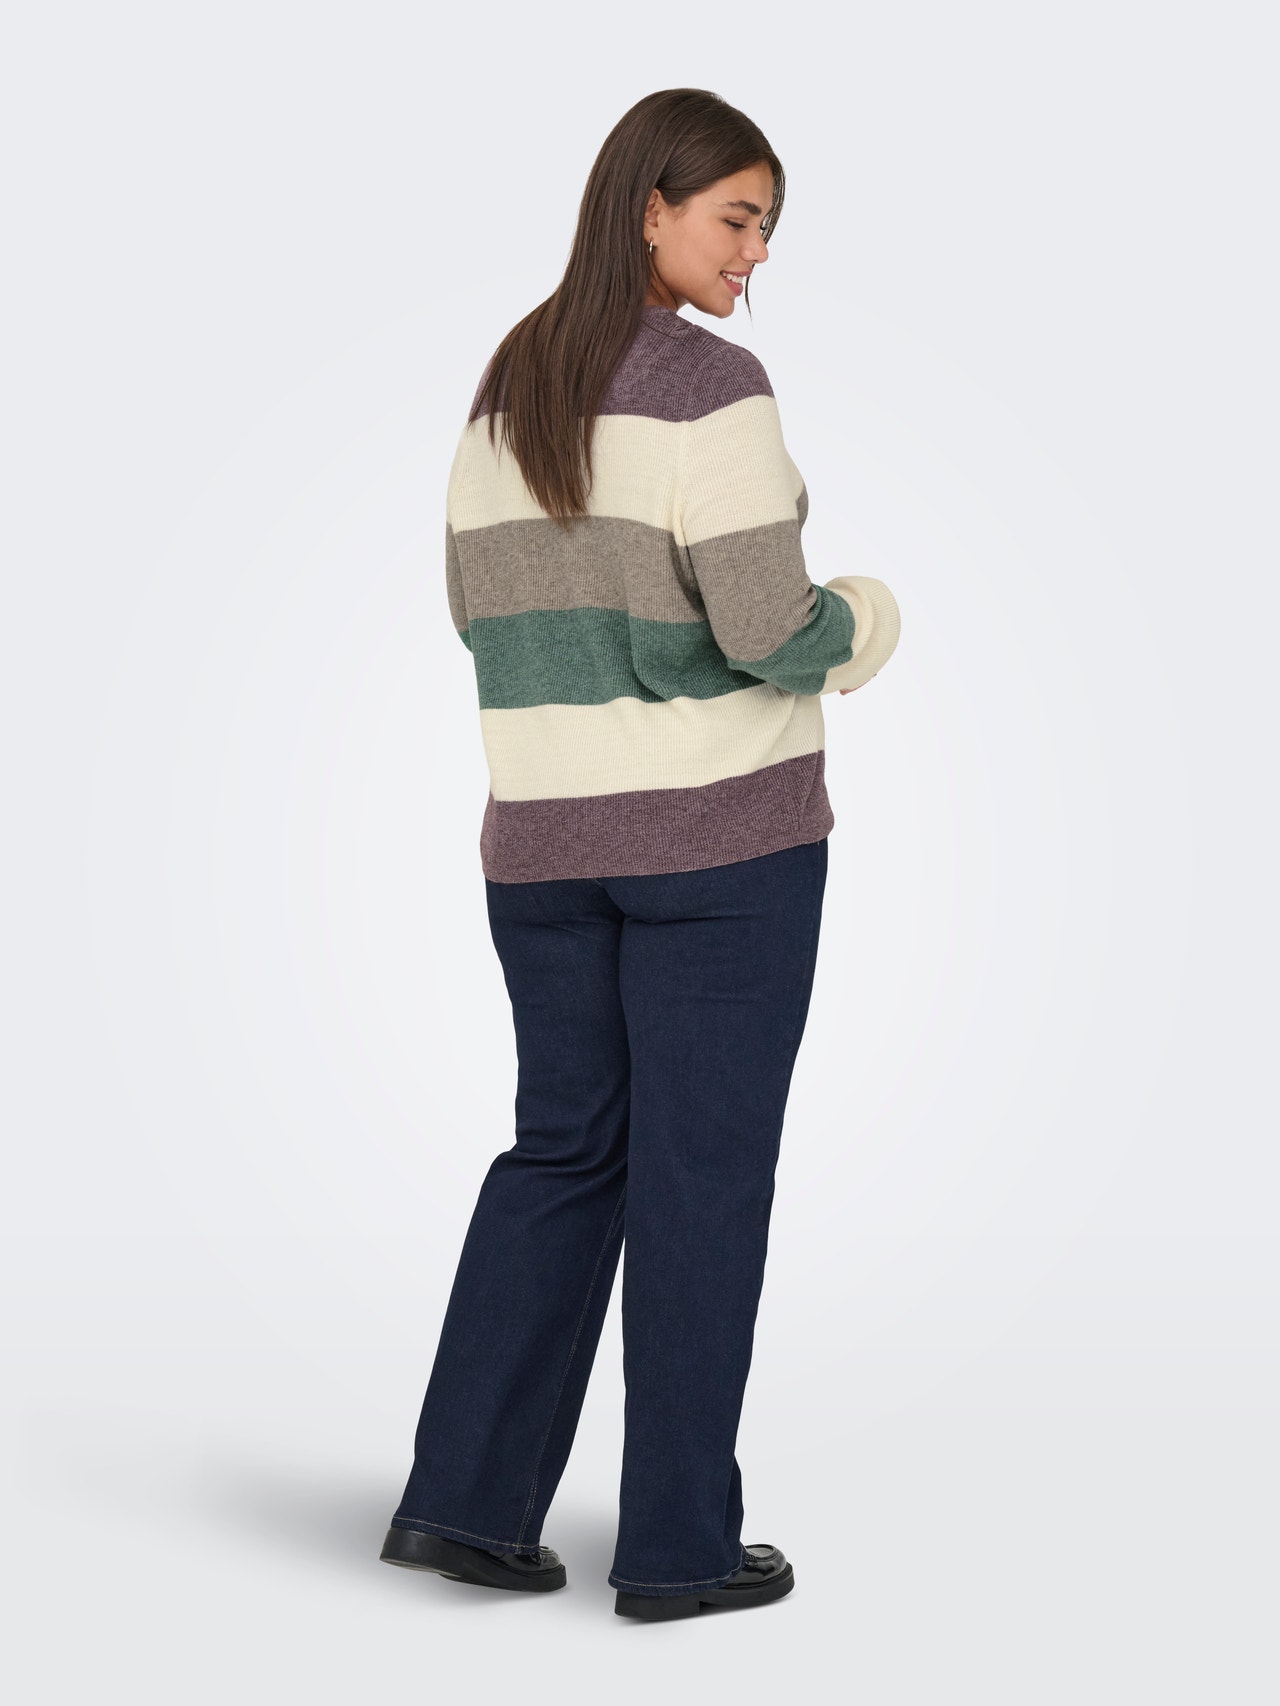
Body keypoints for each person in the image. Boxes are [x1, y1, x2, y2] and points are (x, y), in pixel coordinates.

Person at [379, 86, 901, 1622]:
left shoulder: (512, 380)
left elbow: (478, 614)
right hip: (719, 847)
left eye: (767, 227)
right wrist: (869, 620)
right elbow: (767, 624)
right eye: (738, 218)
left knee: (563, 1152)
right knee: (700, 1175)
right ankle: (678, 1545)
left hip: (543, 848)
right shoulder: (710, 386)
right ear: (649, 208)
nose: (755, 253)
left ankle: (465, 1505)